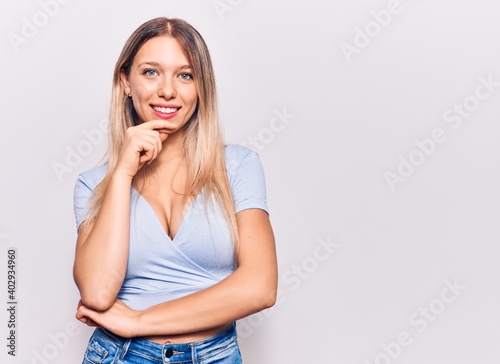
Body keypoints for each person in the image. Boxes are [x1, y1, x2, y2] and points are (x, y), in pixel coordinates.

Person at [72, 17, 277, 363]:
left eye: (185, 75)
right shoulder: (94, 185)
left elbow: (260, 286)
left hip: (213, 355)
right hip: (119, 355)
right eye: (151, 72)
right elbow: (96, 292)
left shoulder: (238, 167)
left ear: (201, 86)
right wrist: (122, 174)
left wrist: (139, 321)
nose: (168, 90)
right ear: (125, 80)